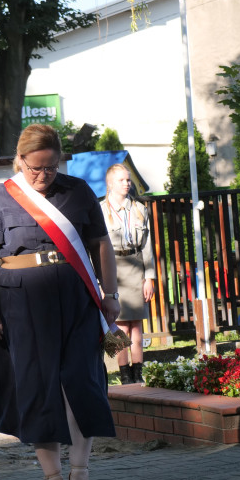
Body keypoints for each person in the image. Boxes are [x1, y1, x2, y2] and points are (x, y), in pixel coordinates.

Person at [0, 124, 119, 480]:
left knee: (82, 384)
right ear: (19, 160)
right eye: (35, 168)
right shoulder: (0, 199)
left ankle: (80, 475)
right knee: (38, 390)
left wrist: (111, 294)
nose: (42, 176)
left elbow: (100, 244)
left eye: (50, 168)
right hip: (21, 303)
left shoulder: (77, 191)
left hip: (76, 299)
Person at [100, 164, 156, 384]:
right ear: (110, 183)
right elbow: (95, 247)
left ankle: (137, 371)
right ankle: (123, 372)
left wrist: (149, 277)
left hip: (135, 266)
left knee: (136, 323)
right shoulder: (101, 210)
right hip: (111, 268)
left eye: (128, 180)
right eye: (122, 180)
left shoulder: (139, 209)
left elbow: (147, 247)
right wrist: (99, 281)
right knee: (117, 324)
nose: (126, 184)